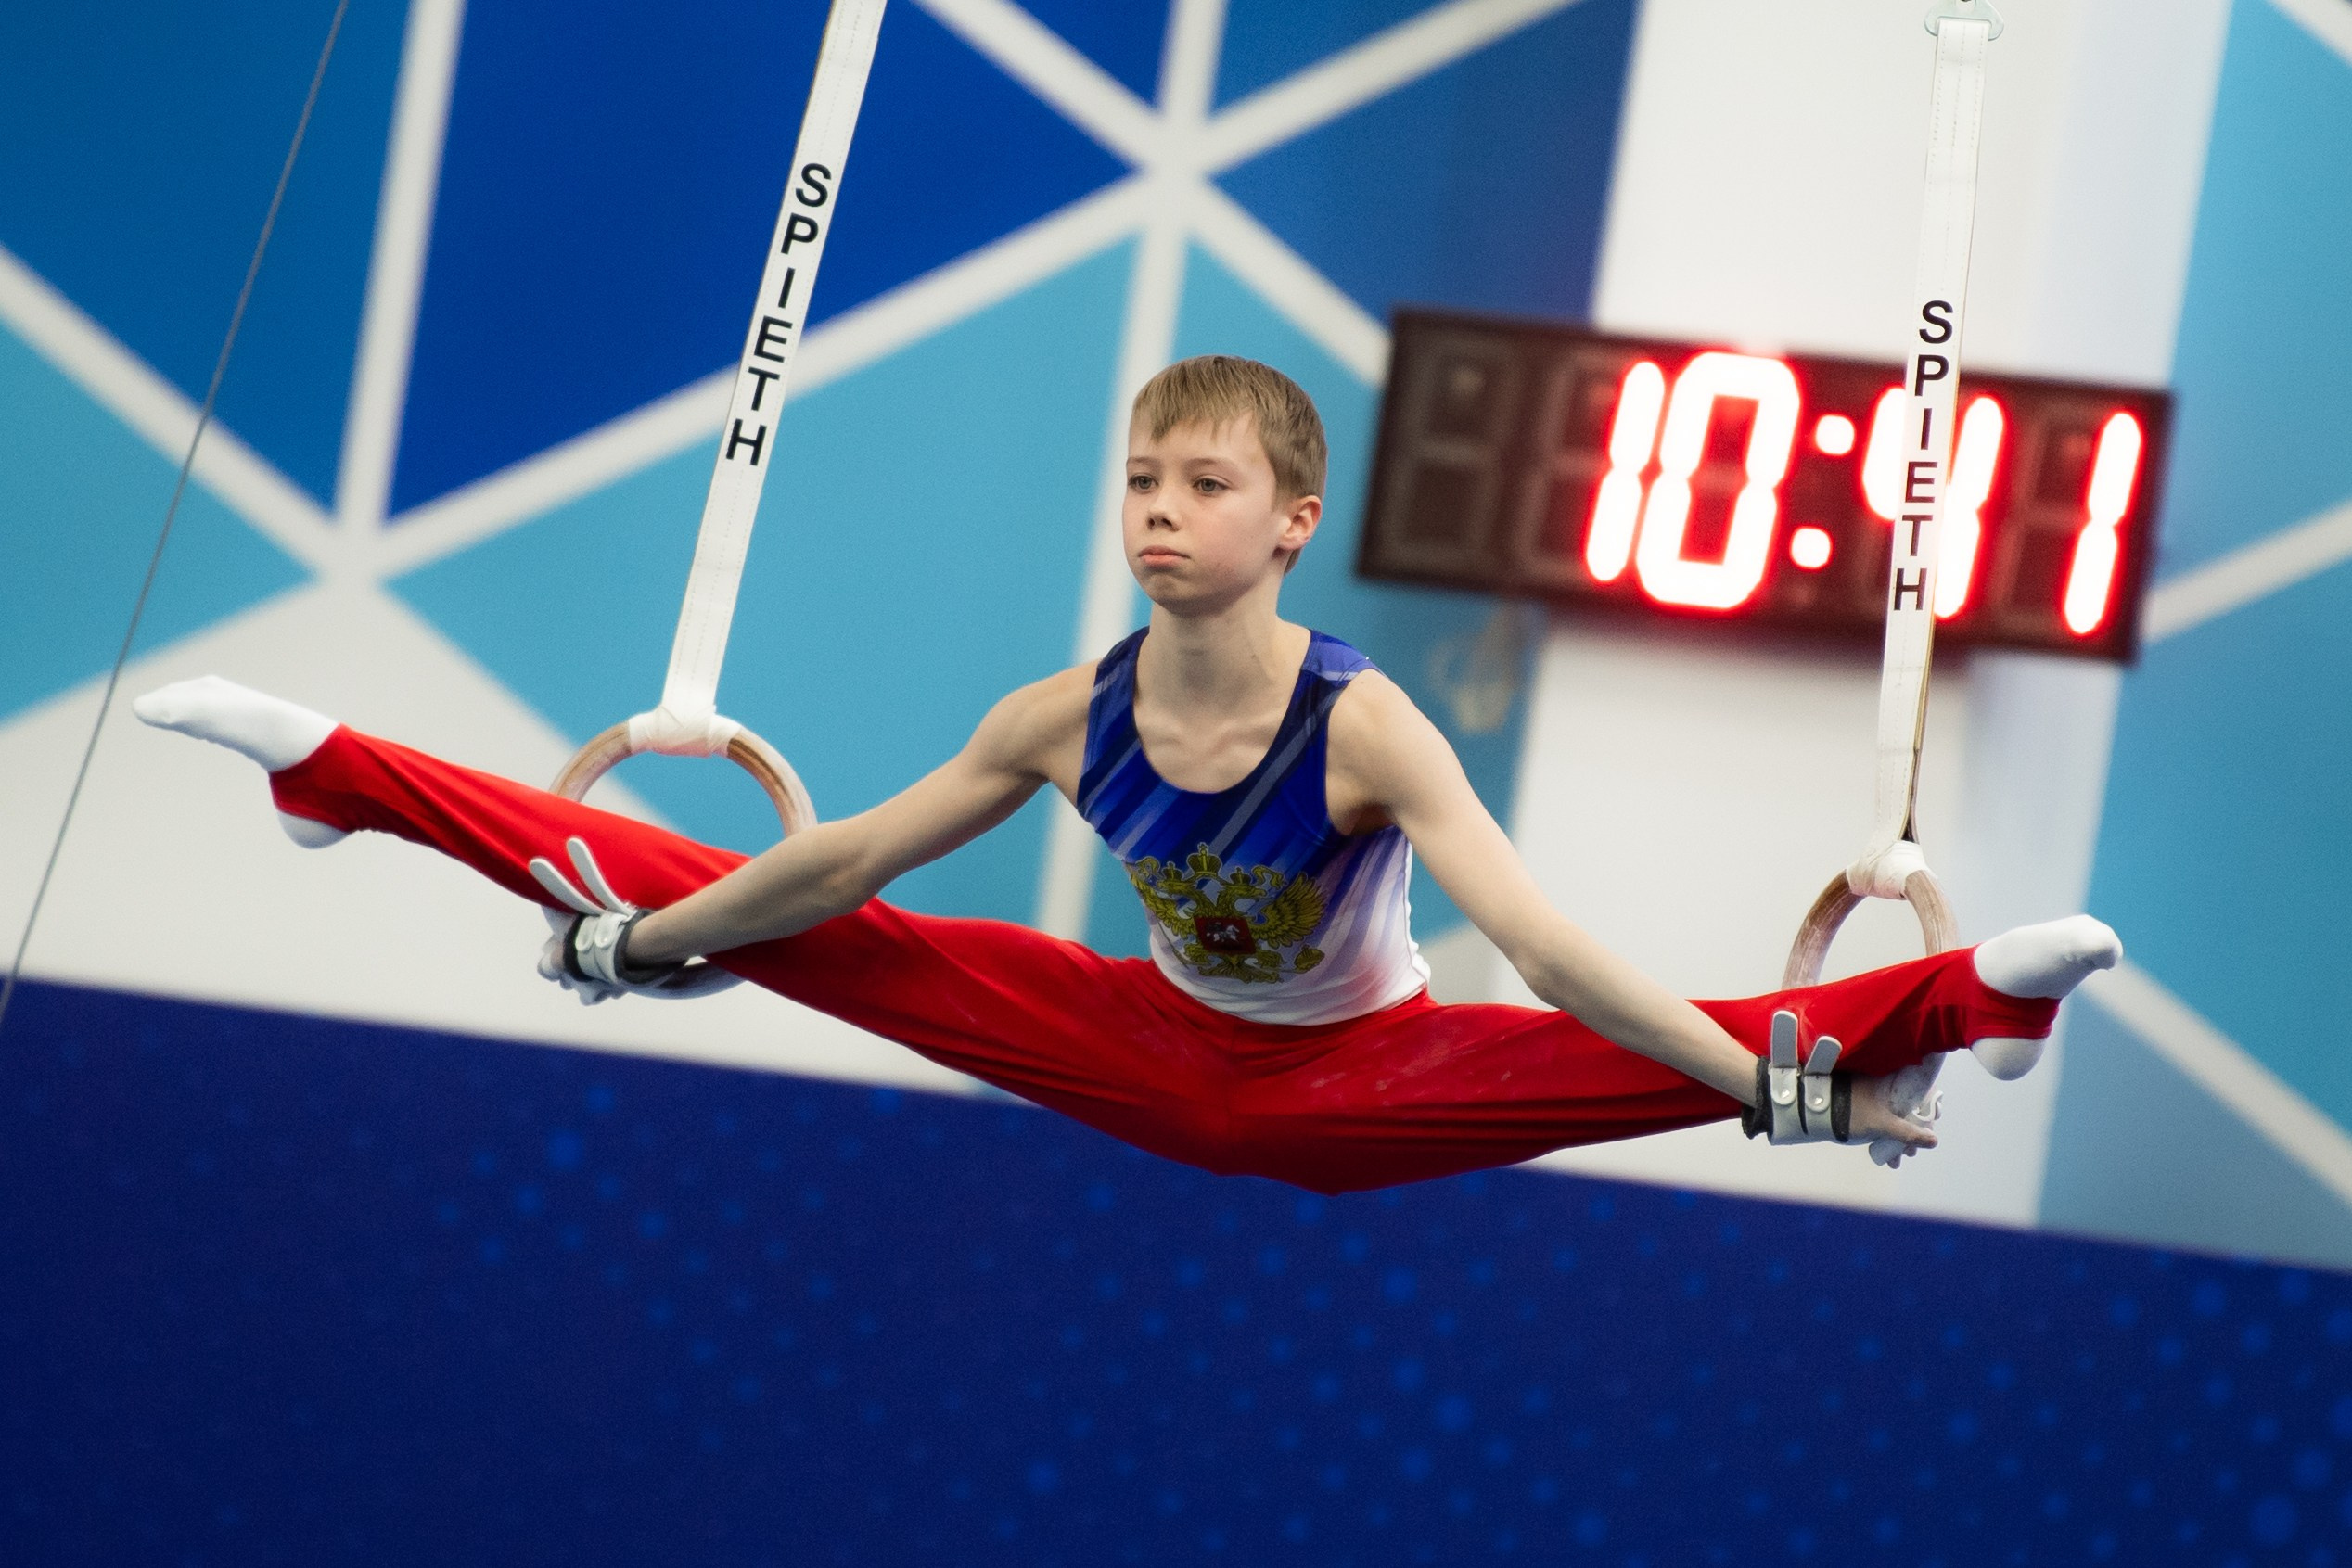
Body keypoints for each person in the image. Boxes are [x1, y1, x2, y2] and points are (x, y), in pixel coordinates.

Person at [135, 355, 2118, 1195]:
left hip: (1358, 1074)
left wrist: (1765, 1089)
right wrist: (654, 946)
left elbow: (1547, 946)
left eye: (1204, 489)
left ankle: (1963, 1005)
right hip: (1151, 1045)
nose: (1159, 516)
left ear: (1293, 524)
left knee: (1614, 1045)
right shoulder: (1052, 716)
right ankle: (347, 776)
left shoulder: (1362, 729)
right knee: (783, 914)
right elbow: (832, 874)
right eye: (1140, 485)